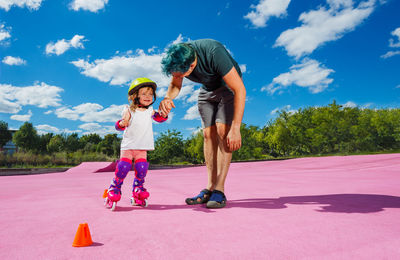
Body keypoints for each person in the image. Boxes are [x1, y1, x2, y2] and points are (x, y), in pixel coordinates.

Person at [159, 39, 246, 208]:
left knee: (222, 131)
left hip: (229, 88)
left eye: (180, 74)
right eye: (175, 74)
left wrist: (236, 128)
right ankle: (210, 187)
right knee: (208, 134)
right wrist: (168, 98)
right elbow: (175, 85)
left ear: (191, 66)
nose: (177, 77)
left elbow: (240, 89)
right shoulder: (179, 57)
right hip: (207, 91)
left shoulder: (214, 52)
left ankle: (219, 189)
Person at [104, 77, 168, 211]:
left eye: (150, 94)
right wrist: (122, 123)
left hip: (142, 146)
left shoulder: (150, 111)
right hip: (129, 145)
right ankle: (114, 189)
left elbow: (160, 119)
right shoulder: (128, 109)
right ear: (135, 96)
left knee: (142, 169)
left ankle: (138, 190)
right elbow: (120, 124)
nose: (148, 96)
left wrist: (165, 113)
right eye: (144, 93)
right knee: (123, 168)